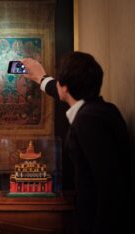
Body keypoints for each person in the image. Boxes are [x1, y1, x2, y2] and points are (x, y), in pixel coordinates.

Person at [21, 52, 132, 234]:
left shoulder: (88, 121)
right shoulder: (103, 110)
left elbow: (109, 189)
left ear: (64, 88)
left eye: (59, 81)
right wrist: (41, 77)